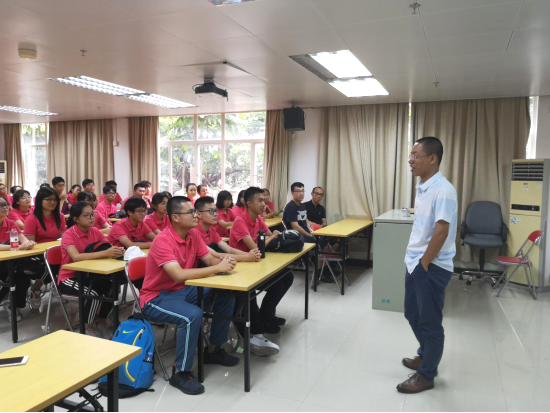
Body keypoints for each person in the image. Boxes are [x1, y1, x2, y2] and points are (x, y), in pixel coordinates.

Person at [140, 196, 239, 396]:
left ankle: (212, 350)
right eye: (191, 212)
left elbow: (208, 258)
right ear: (175, 217)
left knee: (226, 294)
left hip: (183, 290)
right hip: (157, 298)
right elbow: (178, 274)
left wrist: (224, 264)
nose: (196, 216)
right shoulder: (162, 240)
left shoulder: (192, 233)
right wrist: (216, 268)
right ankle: (180, 372)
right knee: (192, 315)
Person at [397, 137, 458, 395]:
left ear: (432, 158)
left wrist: (424, 264)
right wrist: (417, 263)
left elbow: (441, 232)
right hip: (416, 263)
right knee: (412, 313)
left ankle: (427, 375)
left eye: (415, 155)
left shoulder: (443, 190)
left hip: (431, 266)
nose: (410, 160)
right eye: (410, 155)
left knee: (430, 322)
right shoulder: (423, 186)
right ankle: (426, 355)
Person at [230, 187, 288, 356]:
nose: (264, 204)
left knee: (286, 277)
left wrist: (270, 237)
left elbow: (267, 237)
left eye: (264, 200)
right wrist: (272, 237)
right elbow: (256, 248)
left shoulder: (258, 219)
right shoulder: (240, 221)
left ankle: (266, 315)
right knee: (251, 293)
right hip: (240, 268)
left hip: (255, 264)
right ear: (248, 203)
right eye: (260, 200)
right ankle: (255, 333)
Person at [58, 202, 125, 337]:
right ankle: (86, 326)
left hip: (90, 275)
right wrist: (105, 253)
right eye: (86, 215)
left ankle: (101, 321)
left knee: (111, 287)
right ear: (76, 219)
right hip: (70, 277)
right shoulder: (69, 234)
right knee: (93, 293)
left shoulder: (94, 231)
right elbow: (76, 257)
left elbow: (107, 247)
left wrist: (116, 251)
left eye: (92, 214)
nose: (91, 218)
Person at [23, 187, 67, 309]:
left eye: (55, 200)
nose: (52, 202)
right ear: (40, 200)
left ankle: (63, 288)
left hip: (54, 251)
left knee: (69, 261)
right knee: (49, 266)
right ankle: (35, 289)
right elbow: (30, 243)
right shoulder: (32, 219)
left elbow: (62, 238)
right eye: (48, 199)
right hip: (36, 254)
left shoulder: (60, 216)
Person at [0, 195, 35, 323]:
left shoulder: (10, 222)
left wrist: (28, 243)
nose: (5, 207)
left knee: (22, 277)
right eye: (1, 205)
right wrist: (17, 247)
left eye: (5, 204)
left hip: (10, 261)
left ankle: (13, 306)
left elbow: (23, 240)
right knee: (10, 276)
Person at [195, 196, 261, 263]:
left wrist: (250, 255)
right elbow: (215, 255)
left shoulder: (211, 230)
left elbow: (229, 249)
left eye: (215, 211)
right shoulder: (194, 232)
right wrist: (247, 257)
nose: (215, 214)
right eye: (211, 211)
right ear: (199, 214)